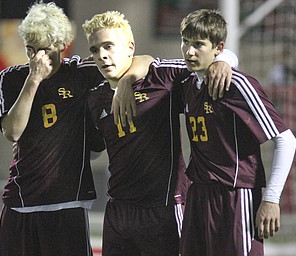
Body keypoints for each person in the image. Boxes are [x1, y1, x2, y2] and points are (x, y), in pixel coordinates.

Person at [0, 2, 153, 256]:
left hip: (68, 201)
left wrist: (127, 82)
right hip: (21, 201)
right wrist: (33, 80)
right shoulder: (11, 78)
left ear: (60, 45)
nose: (36, 58)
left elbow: (143, 61)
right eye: (30, 50)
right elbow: (12, 132)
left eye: (44, 50)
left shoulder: (80, 72)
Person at [82, 11, 238, 256]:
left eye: (109, 46)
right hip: (118, 210)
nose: (101, 55)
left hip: (164, 208)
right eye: (94, 49)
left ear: (130, 46)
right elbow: (92, 149)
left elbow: (207, 61)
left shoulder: (162, 76)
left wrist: (225, 60)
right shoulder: (94, 96)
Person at [178, 9, 296, 256]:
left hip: (235, 195)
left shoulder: (237, 85)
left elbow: (286, 139)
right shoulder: (187, 83)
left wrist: (272, 199)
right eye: (185, 42)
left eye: (198, 44)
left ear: (218, 47)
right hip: (198, 194)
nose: (189, 51)